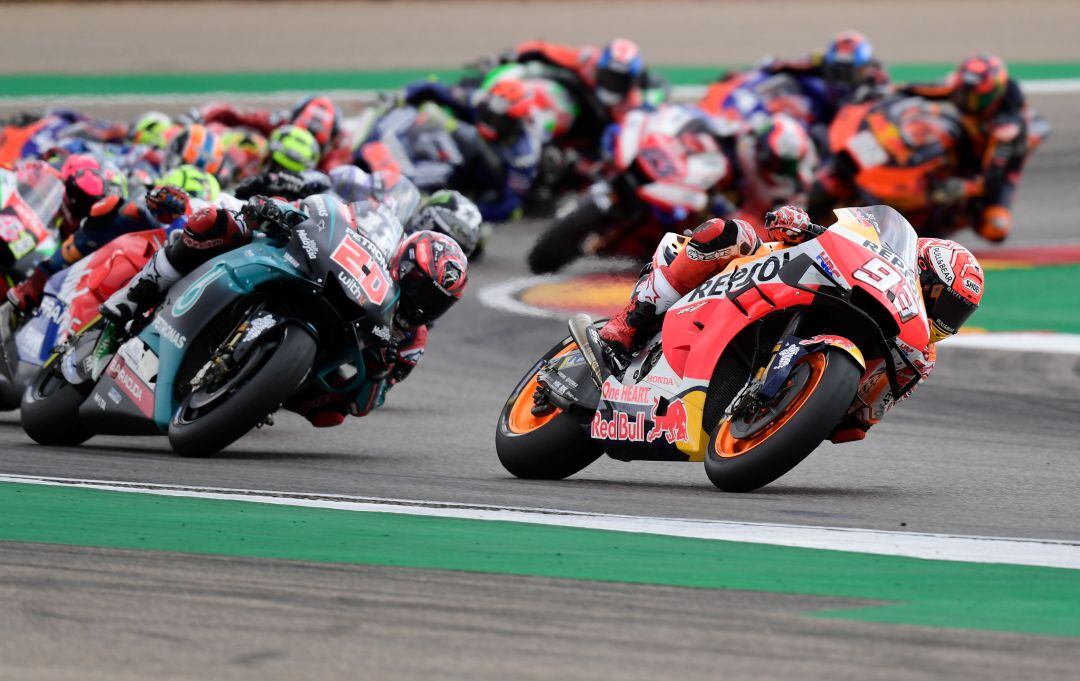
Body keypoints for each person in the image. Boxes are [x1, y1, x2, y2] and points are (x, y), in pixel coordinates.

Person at [598, 205, 984, 442]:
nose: (944, 319)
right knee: (729, 233)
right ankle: (627, 325)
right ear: (920, 273)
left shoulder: (918, 358)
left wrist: (838, 406)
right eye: (943, 303)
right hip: (759, 279)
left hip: (804, 359)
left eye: (956, 315)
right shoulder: (869, 258)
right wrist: (797, 225)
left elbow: (860, 422)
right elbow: (805, 233)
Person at [100, 194, 469, 427]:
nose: (423, 304)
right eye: (419, 286)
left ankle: (249, 389)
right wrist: (285, 211)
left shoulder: (412, 341)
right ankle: (134, 294)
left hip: (315, 359)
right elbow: (328, 214)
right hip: (308, 272)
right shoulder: (374, 246)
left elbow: (368, 402)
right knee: (217, 223)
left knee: (331, 414)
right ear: (402, 263)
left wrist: (379, 368)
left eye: (436, 302)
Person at [896, 54, 1032, 241]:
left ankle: (956, 220)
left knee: (995, 228)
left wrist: (963, 187)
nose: (965, 101)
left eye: (975, 99)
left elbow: (991, 179)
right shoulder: (963, 87)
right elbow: (921, 89)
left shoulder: (1006, 129)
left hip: (996, 169)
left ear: (994, 97)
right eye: (962, 94)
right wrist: (889, 91)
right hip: (968, 142)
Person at [6, 184, 189, 313]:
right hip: (106, 263)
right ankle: (34, 286)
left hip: (149, 285)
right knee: (110, 212)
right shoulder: (130, 208)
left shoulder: (187, 223)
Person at [762, 31, 888, 123]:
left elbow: (886, 101)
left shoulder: (877, 75)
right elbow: (790, 64)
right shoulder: (821, 58)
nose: (842, 78)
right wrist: (773, 65)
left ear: (864, 67)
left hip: (854, 120)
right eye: (837, 71)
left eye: (848, 72)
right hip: (827, 110)